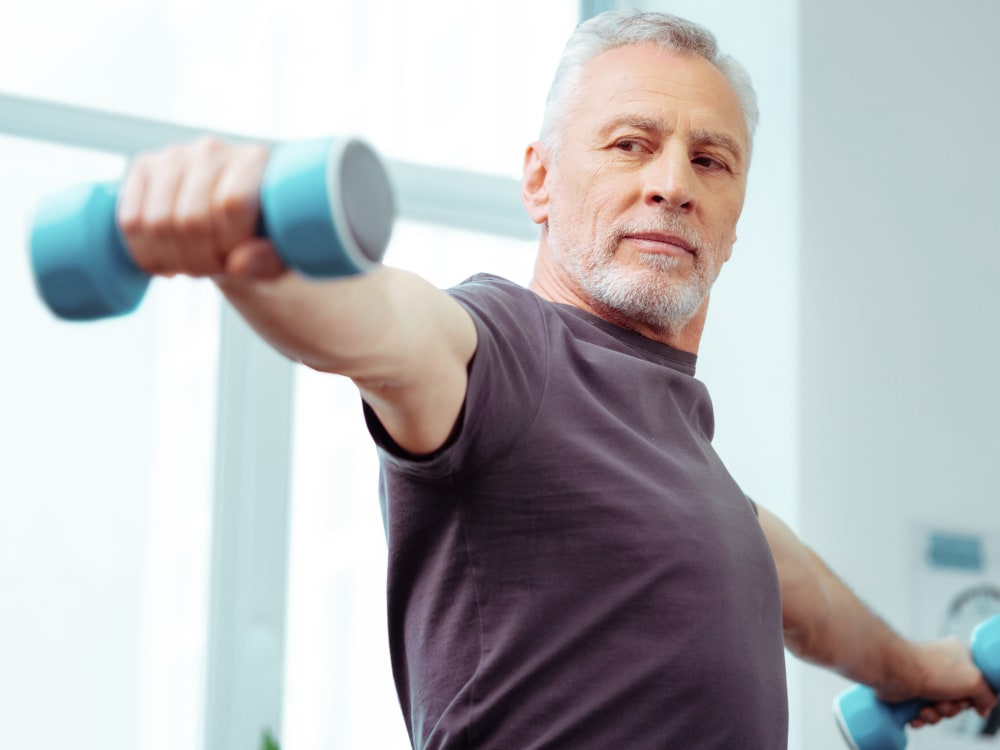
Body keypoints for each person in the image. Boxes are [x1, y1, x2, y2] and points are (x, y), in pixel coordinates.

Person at [115, 9, 996, 749]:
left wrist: (922, 668)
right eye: (629, 144)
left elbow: (786, 579)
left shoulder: (693, 468)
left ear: (735, 221)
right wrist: (249, 252)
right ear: (539, 180)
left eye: (710, 161)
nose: (670, 185)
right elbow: (382, 326)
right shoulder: (502, 351)